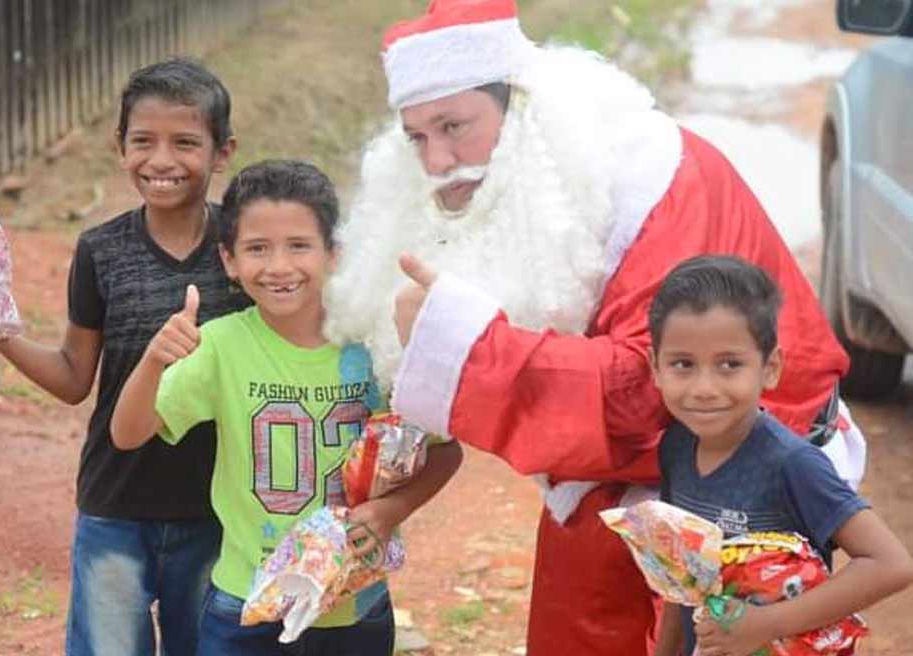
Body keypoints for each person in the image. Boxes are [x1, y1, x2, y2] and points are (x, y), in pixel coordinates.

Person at [322, 1, 869, 653]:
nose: (438, 161)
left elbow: (644, 391)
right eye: (418, 136)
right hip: (619, 472)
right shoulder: (513, 183)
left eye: (455, 126)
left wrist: (459, 345)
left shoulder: (657, 181)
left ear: (521, 107)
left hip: (748, 470)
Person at [0, 59, 247, 655]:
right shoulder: (100, 251)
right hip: (116, 506)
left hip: (222, 513)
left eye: (185, 143)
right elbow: (76, 377)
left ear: (222, 150)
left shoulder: (243, 250)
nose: (162, 161)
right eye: (143, 141)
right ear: (120, 147)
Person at [110, 159, 464, 656]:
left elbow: (446, 452)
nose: (279, 267)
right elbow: (127, 434)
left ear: (333, 254)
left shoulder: (374, 344)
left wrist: (392, 509)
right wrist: (153, 360)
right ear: (229, 260)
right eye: (257, 249)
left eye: (299, 246)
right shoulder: (220, 346)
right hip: (246, 603)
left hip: (354, 604)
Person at [648, 255, 913, 656]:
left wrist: (765, 624)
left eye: (729, 365)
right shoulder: (676, 447)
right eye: (683, 364)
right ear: (655, 368)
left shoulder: (791, 464)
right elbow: (684, 576)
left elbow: (890, 563)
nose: (704, 387)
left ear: (770, 368)